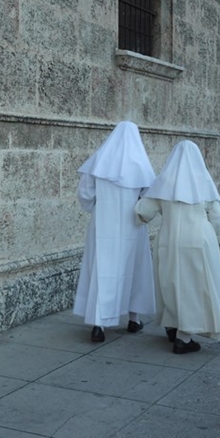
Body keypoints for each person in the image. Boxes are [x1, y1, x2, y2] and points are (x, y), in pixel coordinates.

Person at [133, 140, 220, 354]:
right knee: (195, 287)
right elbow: (216, 216)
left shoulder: (163, 182)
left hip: (168, 240)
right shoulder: (203, 181)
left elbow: (143, 212)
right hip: (198, 241)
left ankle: (173, 326)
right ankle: (184, 338)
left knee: (170, 283)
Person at [72, 121, 156, 343]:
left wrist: (99, 208)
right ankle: (133, 318)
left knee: (102, 268)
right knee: (134, 268)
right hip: (132, 226)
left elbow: (85, 195)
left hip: (103, 225)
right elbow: (149, 196)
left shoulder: (99, 161)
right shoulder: (141, 164)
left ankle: (98, 323)